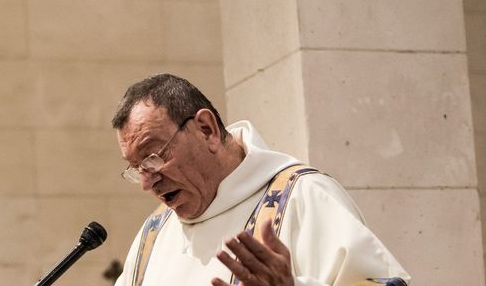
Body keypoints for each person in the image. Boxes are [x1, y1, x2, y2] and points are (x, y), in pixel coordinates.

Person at [111, 73, 410, 286]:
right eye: (137, 168)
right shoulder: (155, 233)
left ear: (206, 129)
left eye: (153, 157)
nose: (147, 183)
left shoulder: (303, 196)